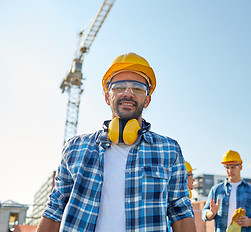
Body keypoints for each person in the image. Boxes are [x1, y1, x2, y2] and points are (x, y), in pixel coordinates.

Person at [36, 52, 196, 232]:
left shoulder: (169, 150)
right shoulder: (75, 148)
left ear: (147, 99)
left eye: (137, 88)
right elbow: (54, 209)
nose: (128, 93)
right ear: (107, 97)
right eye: (119, 87)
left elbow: (181, 213)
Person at [202, 150, 251, 232]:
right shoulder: (216, 190)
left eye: (233, 167)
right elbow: (204, 213)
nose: (230, 171)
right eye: (227, 167)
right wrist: (211, 214)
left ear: (240, 167)